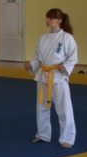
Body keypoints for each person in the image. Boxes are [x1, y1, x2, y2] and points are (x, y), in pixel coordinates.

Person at [24, 8, 77, 149]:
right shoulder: (43, 37)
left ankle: (67, 138)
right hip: (43, 75)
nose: (48, 21)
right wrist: (31, 64)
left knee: (64, 109)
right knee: (41, 107)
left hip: (58, 77)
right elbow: (37, 56)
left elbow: (72, 58)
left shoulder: (67, 38)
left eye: (51, 18)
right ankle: (43, 134)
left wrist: (66, 67)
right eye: (47, 18)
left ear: (59, 20)